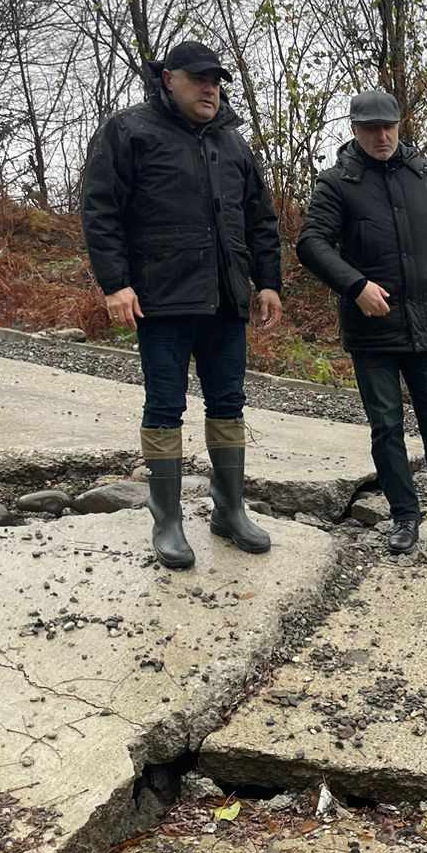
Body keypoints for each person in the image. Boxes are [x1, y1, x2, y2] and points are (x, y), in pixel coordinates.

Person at [81, 40, 283, 570]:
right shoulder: (129, 132)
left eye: (216, 79)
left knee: (228, 404)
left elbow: (260, 219)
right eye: (199, 78)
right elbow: (101, 211)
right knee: (165, 407)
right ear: (168, 78)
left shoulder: (234, 144)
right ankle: (167, 520)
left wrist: (268, 281)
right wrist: (114, 283)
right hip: (163, 301)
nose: (210, 87)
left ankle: (229, 510)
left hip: (225, 300)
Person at [296, 89, 427, 555]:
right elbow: (311, 244)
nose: (381, 136)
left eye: (389, 127)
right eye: (370, 128)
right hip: (372, 331)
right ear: (354, 130)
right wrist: (355, 286)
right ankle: (403, 515)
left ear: (400, 125)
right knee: (387, 426)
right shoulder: (337, 183)